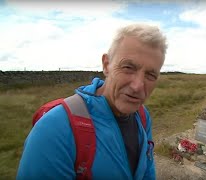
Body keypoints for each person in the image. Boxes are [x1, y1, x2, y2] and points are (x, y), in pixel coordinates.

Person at [17, 23, 167, 179]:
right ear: (106, 65)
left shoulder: (142, 116)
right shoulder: (54, 129)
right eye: (128, 67)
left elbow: (147, 172)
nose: (137, 86)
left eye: (150, 75)